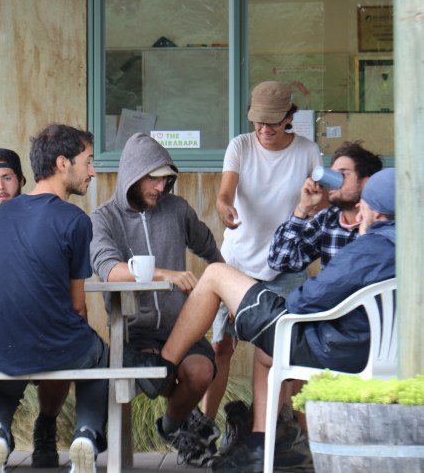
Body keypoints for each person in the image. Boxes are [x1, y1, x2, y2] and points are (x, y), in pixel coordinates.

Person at [142, 168, 396, 473]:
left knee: (215, 275)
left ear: (378, 211)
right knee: (266, 353)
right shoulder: (407, 245)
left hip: (330, 346)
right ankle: (261, 444)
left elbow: (309, 299)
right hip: (363, 348)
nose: (361, 208)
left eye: (365, 203)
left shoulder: (370, 248)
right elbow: (283, 261)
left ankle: (164, 367)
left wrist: (261, 304)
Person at [0, 124, 108, 473]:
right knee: (98, 357)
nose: (92, 171)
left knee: (5, 365)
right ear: (63, 163)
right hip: (55, 343)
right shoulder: (75, 220)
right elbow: (77, 304)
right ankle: (85, 436)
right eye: (88, 161)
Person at [89, 133, 223, 466]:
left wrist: (225, 291)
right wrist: (165, 274)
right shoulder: (102, 219)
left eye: (166, 180)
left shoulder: (177, 209)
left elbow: (209, 249)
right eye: (154, 179)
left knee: (200, 372)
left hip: (182, 325)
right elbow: (110, 270)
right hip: (137, 329)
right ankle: (187, 424)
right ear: (132, 176)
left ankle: (171, 426)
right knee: (155, 377)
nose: (161, 188)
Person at [207, 81, 322, 432]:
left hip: (287, 267)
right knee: (220, 346)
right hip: (238, 262)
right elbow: (225, 193)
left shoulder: (307, 151)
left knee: (289, 352)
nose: (264, 129)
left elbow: (322, 201)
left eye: (273, 122)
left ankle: (302, 436)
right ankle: (205, 427)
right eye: (258, 121)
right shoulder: (240, 146)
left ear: (289, 117)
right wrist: (225, 207)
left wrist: (315, 203)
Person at [0, 148, 71, 468]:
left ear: (22, 180)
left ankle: (46, 425)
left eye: (7, 178)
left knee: (68, 349)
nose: (0, 187)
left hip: (44, 324)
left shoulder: (46, 221)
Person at [268, 140, 383, 273]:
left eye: (343, 174)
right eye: (332, 173)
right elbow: (280, 262)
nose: (333, 181)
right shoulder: (328, 218)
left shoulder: (383, 220)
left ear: (367, 182)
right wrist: (302, 209)